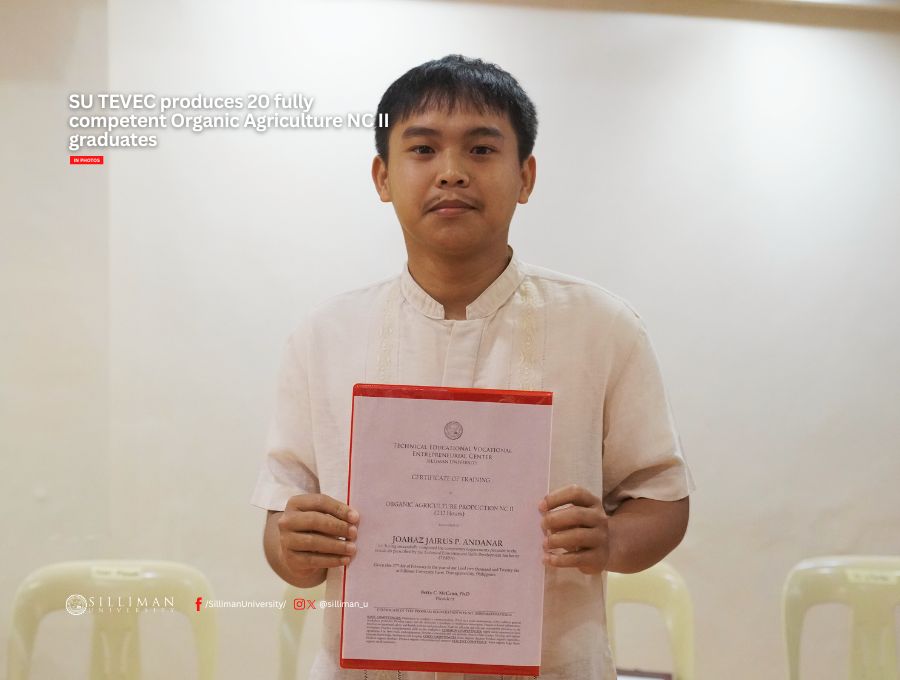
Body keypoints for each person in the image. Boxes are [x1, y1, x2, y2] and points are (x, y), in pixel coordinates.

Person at [251, 54, 693, 680]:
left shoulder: (602, 327)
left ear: (525, 176)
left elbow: (662, 499)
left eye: (482, 150)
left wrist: (613, 541)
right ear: (383, 176)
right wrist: (295, 548)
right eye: (423, 149)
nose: (451, 172)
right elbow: (282, 524)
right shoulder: (324, 336)